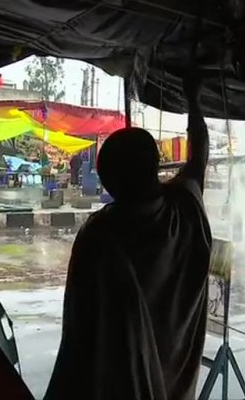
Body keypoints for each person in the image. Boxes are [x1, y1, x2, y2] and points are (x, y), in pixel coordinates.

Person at [45, 74, 211, 400]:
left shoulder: (99, 236)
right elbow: (199, 159)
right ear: (156, 165)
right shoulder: (185, 212)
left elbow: (80, 340)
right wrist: (194, 99)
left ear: (108, 182)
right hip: (177, 384)